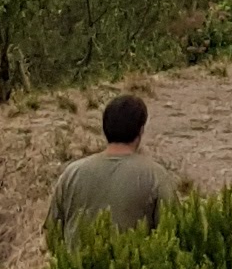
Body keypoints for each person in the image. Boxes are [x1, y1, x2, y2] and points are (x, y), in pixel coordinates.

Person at [45, 94, 179, 245]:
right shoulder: (156, 176)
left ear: (104, 128)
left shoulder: (71, 174)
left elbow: (52, 233)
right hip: (133, 259)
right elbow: (172, 232)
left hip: (76, 260)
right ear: (141, 130)